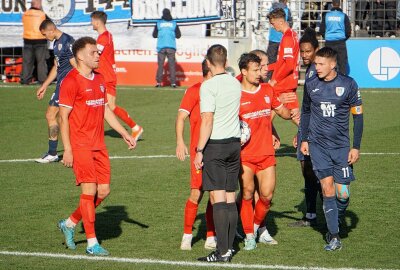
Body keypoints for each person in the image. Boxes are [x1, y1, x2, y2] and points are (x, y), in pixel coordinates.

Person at [57, 36, 137, 256]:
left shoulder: (100, 79)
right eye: (93, 52)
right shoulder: (71, 81)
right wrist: (68, 149)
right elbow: (63, 117)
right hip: (80, 145)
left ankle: (71, 223)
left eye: (98, 52)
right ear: (80, 55)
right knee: (89, 190)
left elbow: (105, 110)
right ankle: (92, 244)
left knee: (104, 190)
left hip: (99, 145)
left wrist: (123, 133)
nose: (98, 55)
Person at [300, 47, 364, 251]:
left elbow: (358, 117)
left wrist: (356, 146)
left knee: (342, 194)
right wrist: (304, 139)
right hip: (318, 146)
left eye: (320, 64)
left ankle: (336, 215)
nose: (316, 67)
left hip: (341, 148)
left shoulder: (348, 84)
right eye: (315, 64)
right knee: (327, 188)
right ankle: (334, 235)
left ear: (332, 65)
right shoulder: (310, 84)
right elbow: (306, 112)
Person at [238, 53, 297, 251]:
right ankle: (248, 236)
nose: (259, 73)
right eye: (255, 70)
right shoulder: (235, 94)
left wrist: (292, 112)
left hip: (265, 154)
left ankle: (254, 228)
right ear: (244, 72)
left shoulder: (267, 90)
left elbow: (282, 112)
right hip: (244, 155)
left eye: (259, 69)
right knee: (247, 194)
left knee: (267, 196)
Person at [194, 44, 241, 262]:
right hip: (234, 145)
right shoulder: (235, 83)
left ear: (208, 63)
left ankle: (221, 252)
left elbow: (207, 119)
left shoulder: (208, 86)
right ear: (227, 62)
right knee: (231, 197)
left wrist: (199, 150)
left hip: (216, 145)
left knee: (218, 198)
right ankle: (229, 248)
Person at [176, 59, 216, 251]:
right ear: (210, 69)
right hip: (198, 152)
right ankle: (187, 235)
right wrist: (180, 141)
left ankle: (210, 236)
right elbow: (181, 117)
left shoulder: (220, 89)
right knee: (196, 193)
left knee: (215, 194)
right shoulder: (194, 90)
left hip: (218, 150)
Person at [91, 11, 143, 141]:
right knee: (103, 106)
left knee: (108, 106)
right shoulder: (106, 36)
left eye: (92, 21)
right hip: (105, 76)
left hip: (106, 77)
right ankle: (134, 127)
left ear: (97, 22)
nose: (91, 23)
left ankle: (135, 127)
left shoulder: (103, 37)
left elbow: (95, 54)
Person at [289, 27, 322, 228]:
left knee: (316, 173)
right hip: (306, 130)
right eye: (302, 51)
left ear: (317, 49)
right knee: (307, 172)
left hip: (317, 132)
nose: (304, 55)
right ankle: (311, 216)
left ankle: (328, 213)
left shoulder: (319, 71)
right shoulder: (309, 71)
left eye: (308, 51)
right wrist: (300, 131)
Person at [35, 19, 76, 163]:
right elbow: (56, 66)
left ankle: (55, 152)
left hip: (67, 86)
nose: (45, 38)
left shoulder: (68, 41)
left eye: (45, 34)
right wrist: (45, 85)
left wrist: (78, 85)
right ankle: (57, 151)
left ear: (51, 30)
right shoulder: (56, 43)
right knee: (56, 116)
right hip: (61, 85)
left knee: (53, 115)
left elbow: (76, 66)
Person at [267, 8, 300, 125]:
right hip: (290, 81)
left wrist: (275, 80)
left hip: (282, 84)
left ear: (280, 21)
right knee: (295, 116)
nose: (272, 26)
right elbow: (284, 62)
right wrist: (269, 67)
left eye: (272, 23)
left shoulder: (287, 38)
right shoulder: (293, 35)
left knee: (266, 113)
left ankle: (260, 138)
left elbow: (289, 65)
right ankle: (314, 138)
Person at [319, 0, 351, 75]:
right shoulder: (343, 15)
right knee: (342, 64)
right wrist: (342, 38)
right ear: (339, 4)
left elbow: (322, 30)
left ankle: (329, 82)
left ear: (332, 4)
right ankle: (342, 83)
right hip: (340, 42)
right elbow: (348, 31)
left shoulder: (327, 15)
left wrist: (328, 37)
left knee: (329, 63)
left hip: (329, 42)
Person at [21, 0, 48, 85]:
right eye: (40, 3)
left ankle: (25, 80)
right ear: (37, 4)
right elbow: (49, 25)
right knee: (41, 62)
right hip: (40, 41)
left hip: (27, 40)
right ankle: (42, 80)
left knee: (27, 62)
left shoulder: (25, 14)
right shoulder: (42, 14)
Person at [152, 8, 181, 88]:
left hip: (161, 47)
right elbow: (179, 36)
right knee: (172, 66)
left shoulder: (158, 23)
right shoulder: (174, 23)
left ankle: (158, 83)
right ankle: (173, 83)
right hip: (171, 47)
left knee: (160, 65)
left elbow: (154, 35)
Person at [266, 0, 292, 81]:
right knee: (283, 61)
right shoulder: (287, 10)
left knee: (270, 60)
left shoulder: (271, 8)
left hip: (273, 39)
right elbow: (290, 23)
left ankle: (269, 79)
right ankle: (281, 78)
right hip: (283, 38)